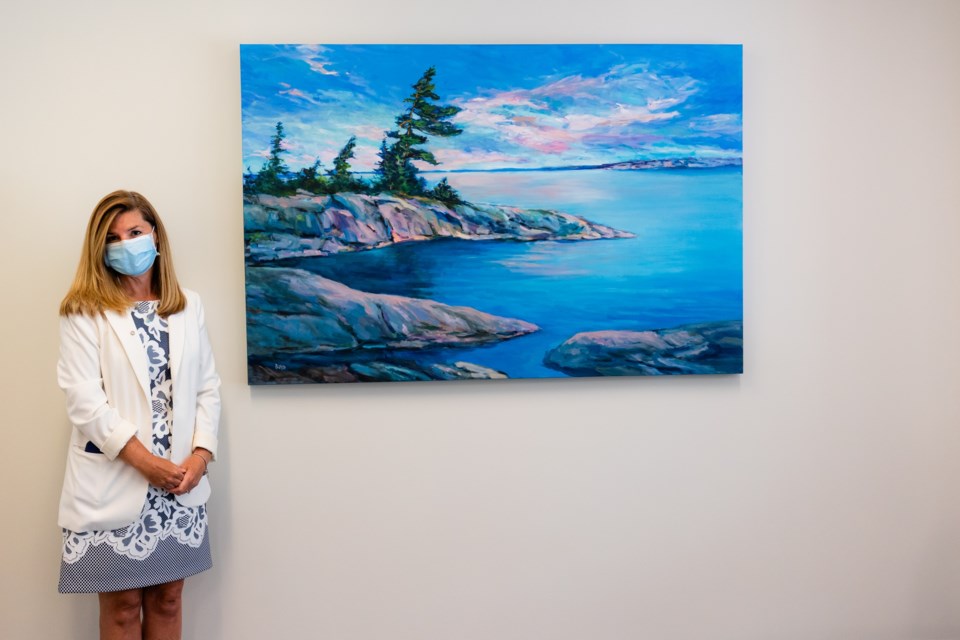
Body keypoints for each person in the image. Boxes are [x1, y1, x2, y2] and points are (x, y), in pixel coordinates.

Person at [56, 190, 221, 640]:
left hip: (180, 481)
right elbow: (84, 401)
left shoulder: (188, 305)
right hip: (119, 479)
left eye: (134, 232)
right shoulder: (83, 312)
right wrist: (146, 464)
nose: (126, 244)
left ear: (155, 236)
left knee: (169, 598)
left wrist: (201, 456)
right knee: (124, 607)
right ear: (100, 249)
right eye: (113, 237)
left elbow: (208, 386)